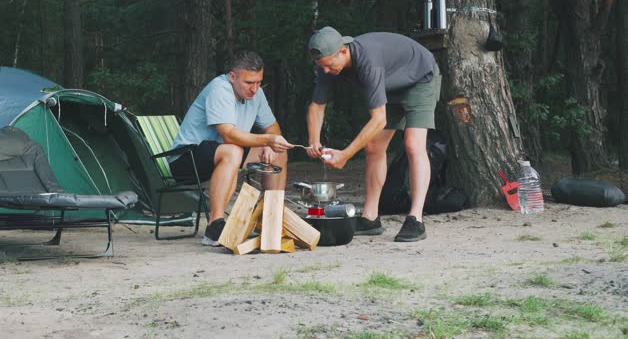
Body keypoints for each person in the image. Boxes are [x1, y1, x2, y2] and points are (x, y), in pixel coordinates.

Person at [305, 27, 441, 242]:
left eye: (330, 65)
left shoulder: (368, 60)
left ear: (343, 51)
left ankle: (416, 219)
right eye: (322, 67)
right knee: (373, 147)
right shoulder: (327, 65)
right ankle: (370, 218)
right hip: (390, 85)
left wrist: (346, 155)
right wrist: (314, 140)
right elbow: (317, 106)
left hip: (419, 78)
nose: (327, 71)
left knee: (413, 144)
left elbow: (379, 119)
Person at [170, 51, 294, 246]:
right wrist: (266, 140)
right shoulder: (219, 90)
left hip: (223, 154)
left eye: (259, 82)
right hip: (185, 160)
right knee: (233, 149)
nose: (254, 89)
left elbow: (273, 127)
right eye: (248, 83)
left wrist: (270, 143)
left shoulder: (257, 93)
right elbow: (228, 134)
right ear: (233, 77)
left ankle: (272, 219)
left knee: (280, 152)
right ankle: (215, 226)